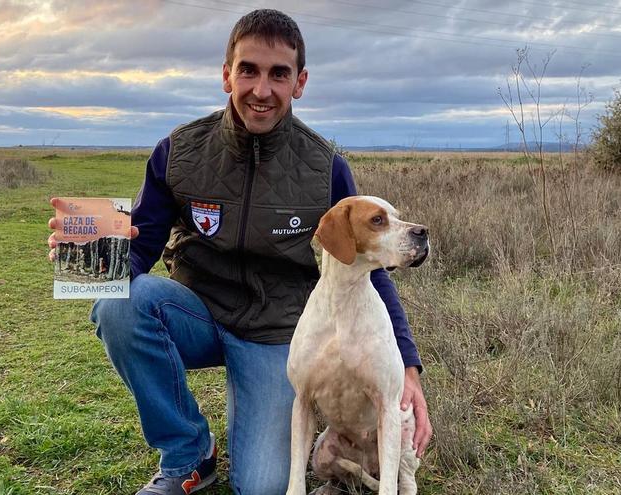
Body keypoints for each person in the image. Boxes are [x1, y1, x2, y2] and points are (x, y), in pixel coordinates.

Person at [47, 9, 431, 495]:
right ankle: (189, 455)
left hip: (277, 337)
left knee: (265, 487)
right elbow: (141, 242)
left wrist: (409, 369)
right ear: (226, 73)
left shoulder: (326, 168)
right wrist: (89, 252)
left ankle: (251, 400)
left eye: (279, 74)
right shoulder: (179, 150)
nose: (261, 89)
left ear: (300, 82)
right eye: (248, 69)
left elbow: (369, 269)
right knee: (118, 304)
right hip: (198, 315)